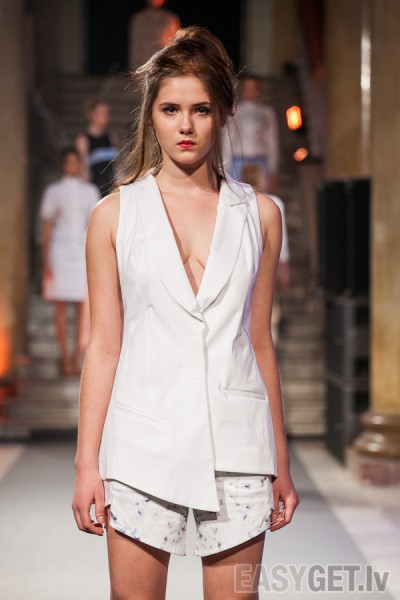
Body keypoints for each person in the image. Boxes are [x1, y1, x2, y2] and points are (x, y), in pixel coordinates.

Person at [71, 26, 299, 598]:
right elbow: (104, 345)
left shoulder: (261, 215)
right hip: (140, 443)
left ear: (223, 113)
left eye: (201, 109)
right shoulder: (113, 216)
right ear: (151, 115)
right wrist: (86, 464)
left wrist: (281, 459)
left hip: (239, 447)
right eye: (170, 109)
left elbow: (259, 340)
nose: (186, 125)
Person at [39, 148, 100, 376]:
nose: (72, 166)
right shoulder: (53, 191)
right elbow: (47, 226)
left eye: (76, 162)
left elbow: (96, 225)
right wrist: (46, 260)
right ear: (62, 164)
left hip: (83, 251)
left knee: (84, 307)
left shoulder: (90, 191)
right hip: (60, 251)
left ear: (81, 164)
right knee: (61, 307)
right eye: (68, 162)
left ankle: (77, 356)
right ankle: (64, 356)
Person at [241, 163, 290, 345]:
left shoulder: (234, 202)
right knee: (269, 318)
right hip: (264, 266)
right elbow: (281, 243)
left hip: (245, 266)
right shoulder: (273, 203)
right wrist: (283, 269)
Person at [223, 73, 280, 194]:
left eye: (254, 88)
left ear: (259, 90)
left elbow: (271, 141)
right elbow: (228, 140)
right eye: (247, 88)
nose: (250, 92)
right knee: (237, 197)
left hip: (260, 161)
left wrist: (273, 170)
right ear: (242, 90)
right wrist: (225, 169)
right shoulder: (235, 112)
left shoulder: (266, 113)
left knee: (260, 198)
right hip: (238, 161)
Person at [75, 98, 119, 198]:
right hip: (94, 189)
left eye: (107, 113)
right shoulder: (83, 139)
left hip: (111, 187)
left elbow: (117, 165)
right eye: (101, 113)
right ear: (91, 115)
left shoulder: (111, 136)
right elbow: (83, 169)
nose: (105, 117)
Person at [128, 0, 181, 70]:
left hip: (164, 65)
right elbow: (136, 45)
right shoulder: (139, 18)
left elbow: (174, 45)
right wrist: (134, 67)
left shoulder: (171, 18)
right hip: (144, 65)